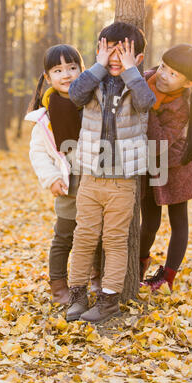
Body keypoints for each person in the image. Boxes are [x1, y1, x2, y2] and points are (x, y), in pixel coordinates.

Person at [66, 21, 156, 323]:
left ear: (138, 59)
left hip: (122, 181)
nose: (116, 59)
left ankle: (108, 303)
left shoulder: (138, 84)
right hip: (90, 177)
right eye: (109, 52)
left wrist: (131, 71)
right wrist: (98, 66)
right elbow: (75, 95)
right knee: (84, 238)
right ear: (99, 52)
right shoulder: (92, 82)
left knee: (115, 241)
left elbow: (146, 103)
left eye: (123, 54)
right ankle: (77, 296)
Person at [25, 44, 101, 305]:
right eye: (58, 70)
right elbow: (38, 153)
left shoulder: (93, 100)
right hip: (68, 181)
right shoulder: (44, 117)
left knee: (97, 233)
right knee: (64, 236)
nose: (66, 74)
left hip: (96, 178)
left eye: (72, 67)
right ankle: (58, 286)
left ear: (83, 70)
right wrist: (51, 178)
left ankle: (97, 278)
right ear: (48, 77)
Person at [140, 43, 192, 293]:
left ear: (188, 83)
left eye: (173, 73)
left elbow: (157, 144)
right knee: (150, 222)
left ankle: (167, 276)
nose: (163, 75)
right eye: (164, 66)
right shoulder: (145, 78)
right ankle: (139, 263)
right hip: (150, 168)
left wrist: (146, 104)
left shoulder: (181, 108)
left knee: (179, 222)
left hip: (176, 166)